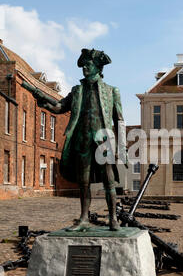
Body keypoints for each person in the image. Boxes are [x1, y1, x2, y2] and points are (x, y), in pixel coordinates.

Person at [28, 48, 127, 231]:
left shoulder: (112, 91)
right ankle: (83, 218)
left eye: (88, 65)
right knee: (83, 182)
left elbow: (119, 120)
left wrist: (122, 148)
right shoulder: (77, 91)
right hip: (83, 140)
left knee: (109, 181)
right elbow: (59, 107)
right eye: (83, 66)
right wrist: (43, 100)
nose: (84, 69)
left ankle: (113, 219)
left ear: (98, 67)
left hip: (103, 141)